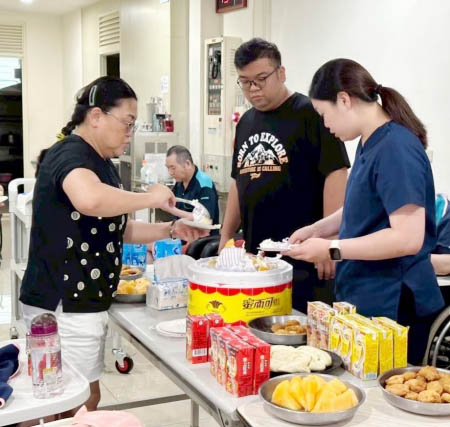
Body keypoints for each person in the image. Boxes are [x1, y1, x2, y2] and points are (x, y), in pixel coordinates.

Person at [19, 76, 208, 418]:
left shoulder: (102, 163)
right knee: (72, 402)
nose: (130, 133)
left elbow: (117, 228)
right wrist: (149, 197)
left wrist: (170, 229)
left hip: (82, 302)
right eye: (127, 123)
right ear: (96, 116)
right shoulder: (70, 153)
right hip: (63, 303)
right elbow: (90, 199)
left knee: (80, 398)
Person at [284, 58, 445, 364]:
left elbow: (407, 238)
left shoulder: (396, 148)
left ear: (344, 100)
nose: (326, 125)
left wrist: (331, 249)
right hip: (366, 295)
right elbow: (360, 206)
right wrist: (317, 229)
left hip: (395, 302)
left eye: (324, 114)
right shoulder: (368, 142)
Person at [219, 38, 350, 312]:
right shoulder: (245, 123)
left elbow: (336, 174)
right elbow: (238, 182)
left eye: (261, 79)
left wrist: (328, 242)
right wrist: (226, 235)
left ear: (281, 73)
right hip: (257, 258)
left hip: (304, 258)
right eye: (245, 82)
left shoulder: (311, 113)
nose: (253, 89)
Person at [165, 145, 219, 226]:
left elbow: (206, 221)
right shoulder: (180, 182)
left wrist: (172, 210)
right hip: (181, 232)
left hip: (201, 234)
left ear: (187, 164)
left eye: (173, 168)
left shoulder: (204, 184)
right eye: (168, 168)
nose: (170, 173)